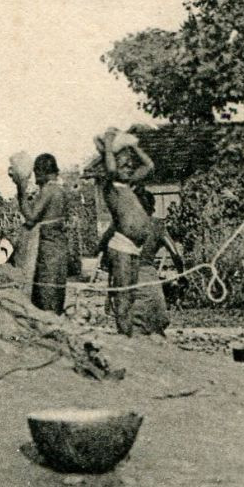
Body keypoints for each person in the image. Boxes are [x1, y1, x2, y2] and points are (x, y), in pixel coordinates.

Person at [94, 129, 157, 336]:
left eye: (131, 163)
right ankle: (125, 339)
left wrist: (133, 146)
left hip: (134, 248)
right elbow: (111, 167)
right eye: (124, 163)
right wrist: (111, 143)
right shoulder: (111, 185)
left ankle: (127, 336)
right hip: (120, 246)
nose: (129, 167)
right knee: (122, 298)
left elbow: (149, 166)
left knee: (130, 297)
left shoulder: (128, 185)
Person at [13, 153, 70, 314]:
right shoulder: (60, 190)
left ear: (42, 171)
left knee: (46, 294)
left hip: (49, 247)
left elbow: (31, 218)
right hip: (58, 245)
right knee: (56, 291)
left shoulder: (48, 190)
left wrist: (20, 189)